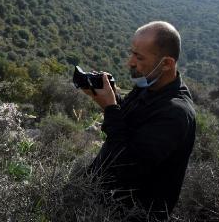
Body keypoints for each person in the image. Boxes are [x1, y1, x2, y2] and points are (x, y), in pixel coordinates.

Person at [84, 21, 196, 221]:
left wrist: (110, 108)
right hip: (101, 202)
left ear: (167, 63)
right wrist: (111, 97)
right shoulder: (148, 86)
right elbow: (128, 124)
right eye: (132, 53)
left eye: (139, 57)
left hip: (130, 215)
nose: (130, 62)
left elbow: (126, 166)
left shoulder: (175, 113)